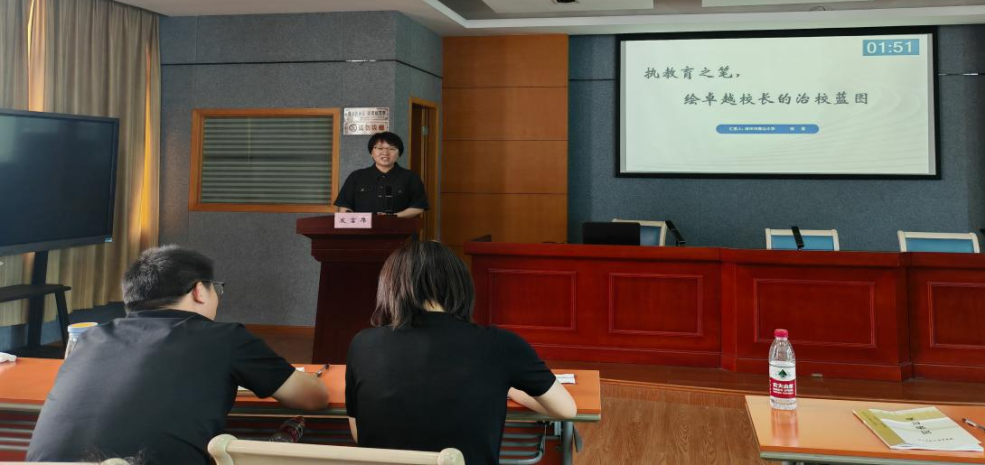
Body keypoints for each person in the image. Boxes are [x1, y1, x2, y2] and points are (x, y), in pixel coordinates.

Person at [27, 246, 328, 465]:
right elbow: (312, 398)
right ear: (198, 291)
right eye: (216, 288)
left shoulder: (90, 338)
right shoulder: (224, 337)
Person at [345, 240, 576, 465]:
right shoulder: (502, 344)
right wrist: (512, 390)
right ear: (460, 285)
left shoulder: (363, 344)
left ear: (389, 288)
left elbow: (359, 432)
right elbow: (566, 409)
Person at [335, 131, 428, 219]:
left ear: (399, 153)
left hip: (399, 228)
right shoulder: (356, 176)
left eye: (392, 149)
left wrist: (392, 217)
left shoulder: (411, 177)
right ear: (371, 152)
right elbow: (344, 206)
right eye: (380, 148)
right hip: (362, 229)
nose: (385, 153)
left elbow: (418, 207)